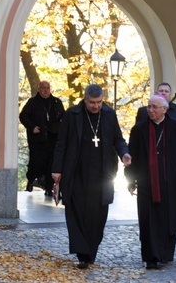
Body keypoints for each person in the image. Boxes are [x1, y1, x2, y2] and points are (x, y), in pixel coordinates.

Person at [51, 84, 131, 269]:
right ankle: (82, 254)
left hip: (102, 173)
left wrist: (124, 154)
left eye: (99, 102)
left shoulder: (109, 114)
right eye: (92, 103)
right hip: (76, 171)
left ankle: (91, 252)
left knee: (98, 215)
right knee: (76, 212)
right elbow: (61, 143)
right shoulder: (72, 114)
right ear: (85, 100)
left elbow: (118, 139)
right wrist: (57, 169)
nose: (96, 106)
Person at [126, 94, 176, 269]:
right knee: (148, 220)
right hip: (146, 183)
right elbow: (132, 156)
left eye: (155, 107)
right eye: (149, 107)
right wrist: (130, 179)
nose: (151, 110)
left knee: (169, 220)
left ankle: (164, 255)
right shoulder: (139, 129)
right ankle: (151, 258)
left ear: (164, 109)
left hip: (171, 183)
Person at [19, 81, 65, 196]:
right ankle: (31, 180)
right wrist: (32, 127)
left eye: (47, 88)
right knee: (37, 162)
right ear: (38, 89)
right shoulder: (32, 102)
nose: (45, 90)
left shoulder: (56, 102)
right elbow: (23, 116)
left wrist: (58, 128)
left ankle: (49, 187)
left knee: (51, 163)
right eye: (43, 88)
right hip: (37, 140)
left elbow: (63, 118)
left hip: (52, 138)